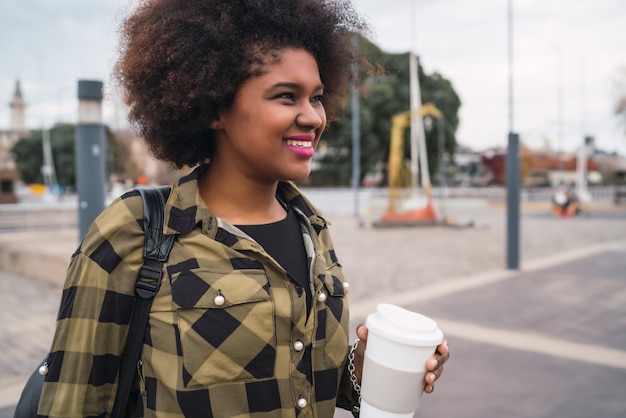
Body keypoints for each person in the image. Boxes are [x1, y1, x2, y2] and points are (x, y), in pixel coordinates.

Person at [37, 0, 449, 416]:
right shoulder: (136, 230)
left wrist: (361, 371)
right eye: (286, 96)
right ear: (215, 107)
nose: (313, 117)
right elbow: (73, 403)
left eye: (317, 98)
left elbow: (297, 375)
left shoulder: (313, 228)